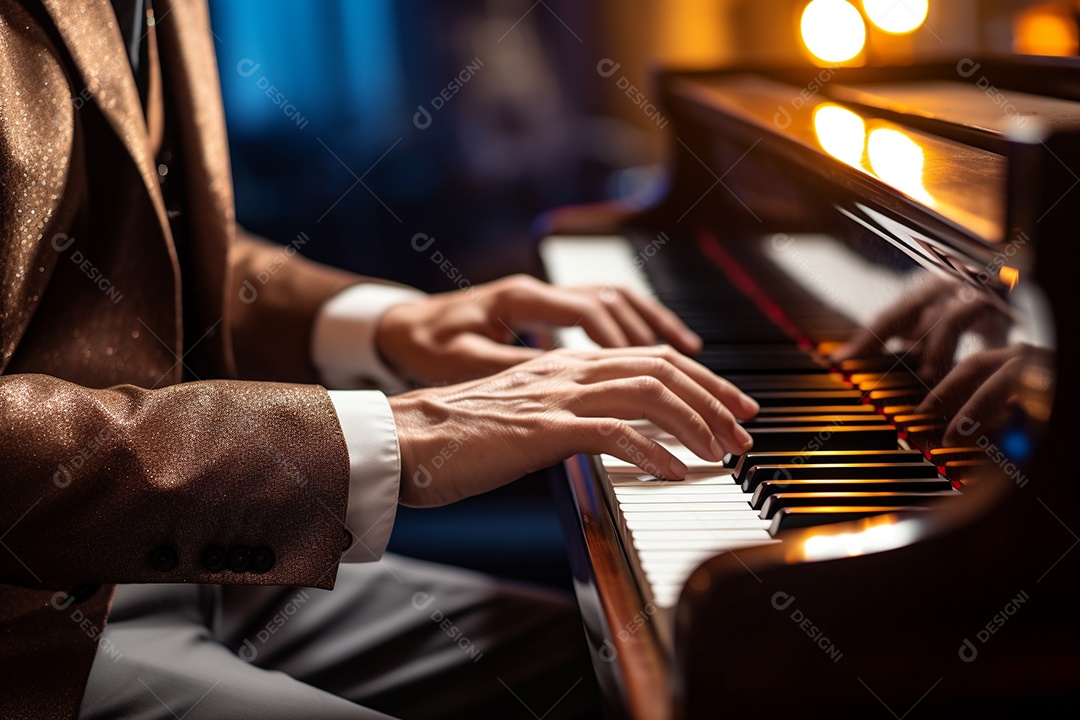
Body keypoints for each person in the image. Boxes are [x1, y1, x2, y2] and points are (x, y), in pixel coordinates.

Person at [0, 1, 758, 718]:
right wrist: (386, 433)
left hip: (185, 558)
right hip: (27, 625)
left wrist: (392, 323)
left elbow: (139, 250)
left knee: (691, 676)